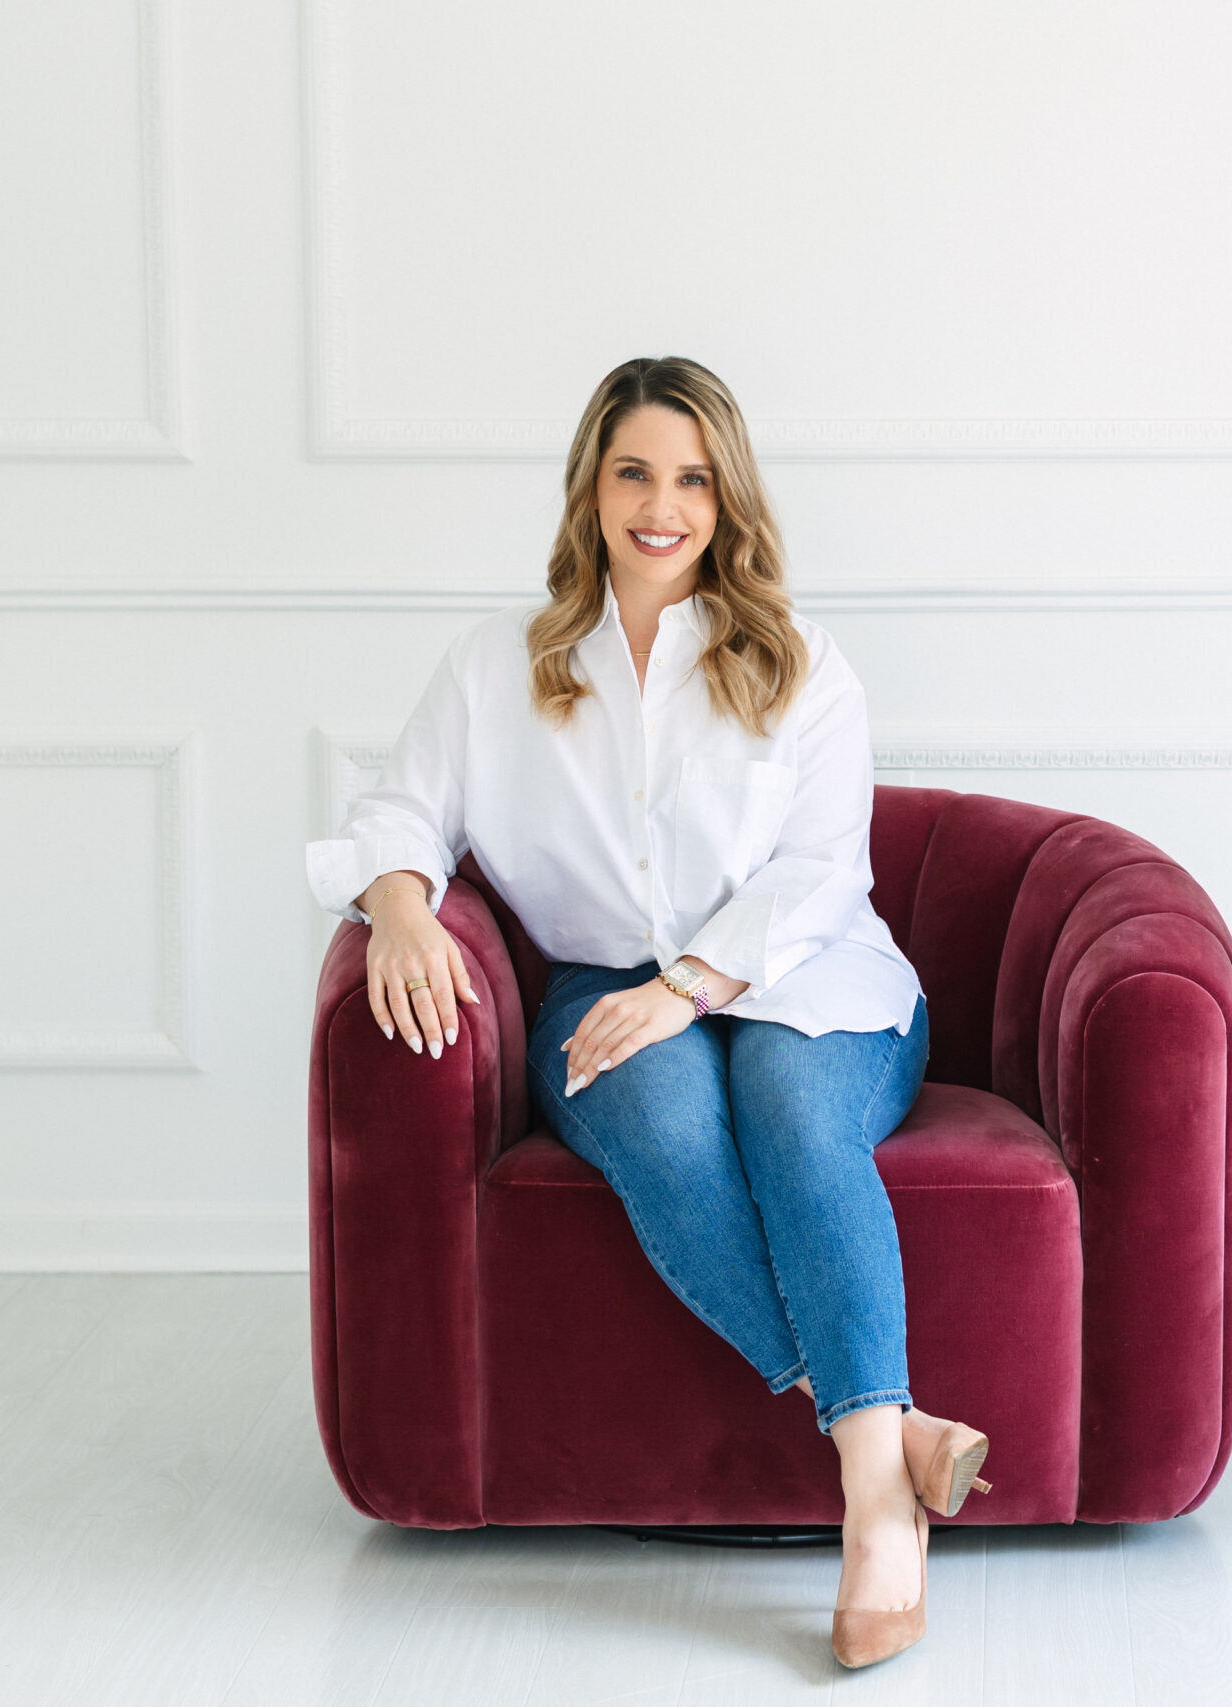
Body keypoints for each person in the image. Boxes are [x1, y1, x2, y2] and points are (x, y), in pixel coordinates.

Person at [305, 355, 985, 1669]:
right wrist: (396, 904)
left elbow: (821, 873)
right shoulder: (500, 663)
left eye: (690, 477)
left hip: (809, 977)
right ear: (592, 487)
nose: (660, 505)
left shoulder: (801, 662)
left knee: (793, 1117)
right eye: (634, 471)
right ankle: (890, 1440)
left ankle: (873, 1518)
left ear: (726, 498)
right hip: (607, 992)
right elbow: (401, 811)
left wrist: (694, 988)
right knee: (669, 1136)